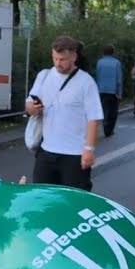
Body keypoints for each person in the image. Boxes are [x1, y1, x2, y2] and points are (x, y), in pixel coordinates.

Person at [25, 36, 103, 191]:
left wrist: (89, 149)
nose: (57, 63)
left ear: (74, 57)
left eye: (62, 59)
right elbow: (28, 105)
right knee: (42, 198)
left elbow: (94, 118)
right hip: (46, 152)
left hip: (74, 155)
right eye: (54, 58)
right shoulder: (44, 76)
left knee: (75, 201)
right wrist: (32, 108)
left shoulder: (86, 82)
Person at [93, 44, 124, 137]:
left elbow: (97, 76)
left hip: (101, 90)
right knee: (113, 111)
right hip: (113, 91)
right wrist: (120, 92)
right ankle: (109, 129)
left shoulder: (99, 62)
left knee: (104, 108)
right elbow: (119, 79)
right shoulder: (116, 63)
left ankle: (105, 123)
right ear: (113, 52)